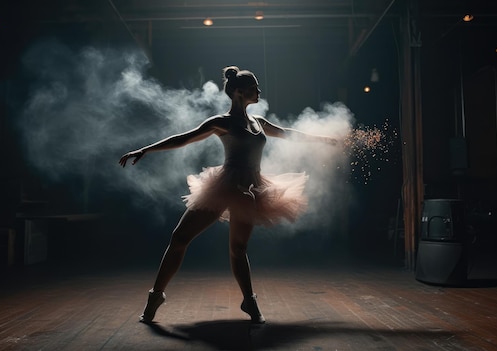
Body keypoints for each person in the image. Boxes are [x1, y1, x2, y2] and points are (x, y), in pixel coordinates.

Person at [119, 66, 336, 324]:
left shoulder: (259, 122)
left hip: (251, 189)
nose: (259, 91)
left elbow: (289, 134)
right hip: (224, 186)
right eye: (255, 87)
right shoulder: (221, 122)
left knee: (238, 248)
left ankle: (250, 302)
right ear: (238, 91)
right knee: (179, 238)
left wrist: (325, 140)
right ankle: (156, 297)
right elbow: (184, 139)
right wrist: (146, 149)